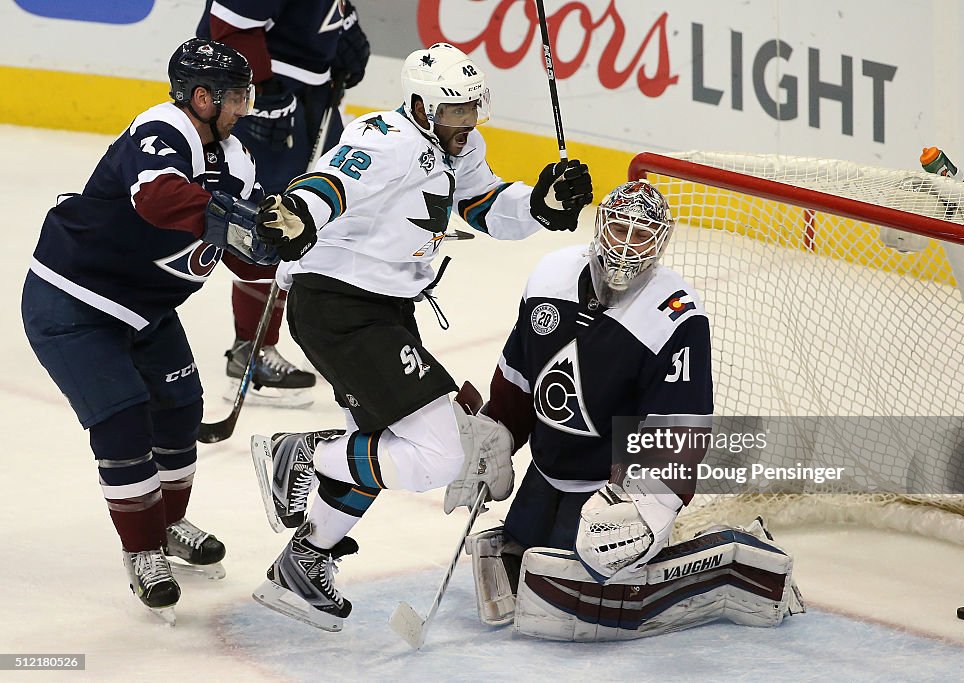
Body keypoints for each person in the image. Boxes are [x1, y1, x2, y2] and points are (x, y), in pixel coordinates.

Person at [247, 41, 594, 632]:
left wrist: (538, 204)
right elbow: (333, 183)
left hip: (381, 312)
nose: (464, 126)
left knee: (378, 443)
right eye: (452, 113)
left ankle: (304, 563)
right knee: (439, 454)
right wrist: (301, 215)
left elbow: (482, 205)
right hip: (341, 309)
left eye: (470, 113)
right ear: (419, 103)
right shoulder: (386, 138)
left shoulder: (458, 145)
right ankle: (301, 455)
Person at [461, 180, 802, 640]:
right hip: (550, 466)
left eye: (640, 234)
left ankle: (728, 562)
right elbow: (520, 371)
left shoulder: (675, 314)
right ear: (600, 225)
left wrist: (652, 501)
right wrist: (497, 429)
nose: (625, 244)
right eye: (618, 227)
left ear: (660, 242)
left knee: (585, 585)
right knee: (516, 555)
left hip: (613, 483)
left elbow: (680, 421)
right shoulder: (550, 273)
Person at [21, 38, 277, 624]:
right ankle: (143, 551)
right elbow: (159, 199)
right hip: (74, 302)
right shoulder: (162, 128)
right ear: (202, 97)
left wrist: (291, 242)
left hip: (148, 309)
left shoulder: (235, 157)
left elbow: (247, 251)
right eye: (235, 96)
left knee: (182, 407)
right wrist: (240, 220)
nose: (244, 107)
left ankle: (166, 523)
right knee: (123, 417)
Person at [197, 0, 372, 405]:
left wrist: (345, 33)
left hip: (308, 95)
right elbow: (232, 25)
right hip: (267, 102)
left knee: (332, 217)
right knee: (272, 223)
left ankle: (333, 339)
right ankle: (250, 350)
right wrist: (260, 93)